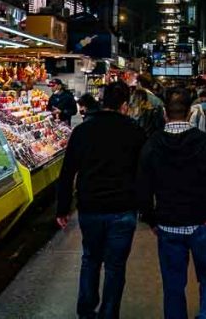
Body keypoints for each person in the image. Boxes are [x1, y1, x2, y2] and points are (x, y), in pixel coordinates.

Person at [137, 88, 206, 319]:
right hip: (204, 224)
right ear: (189, 112)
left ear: (165, 113)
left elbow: (143, 187)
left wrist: (150, 217)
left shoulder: (153, 144)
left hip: (168, 225)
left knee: (173, 286)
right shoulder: (205, 143)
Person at [56, 82, 146, 319]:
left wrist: (62, 208)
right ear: (125, 106)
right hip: (123, 209)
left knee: (91, 259)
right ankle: (108, 314)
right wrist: (148, 209)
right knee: (115, 267)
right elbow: (144, 174)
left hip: (90, 207)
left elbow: (67, 172)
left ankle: (86, 312)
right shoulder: (135, 131)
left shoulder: (83, 131)